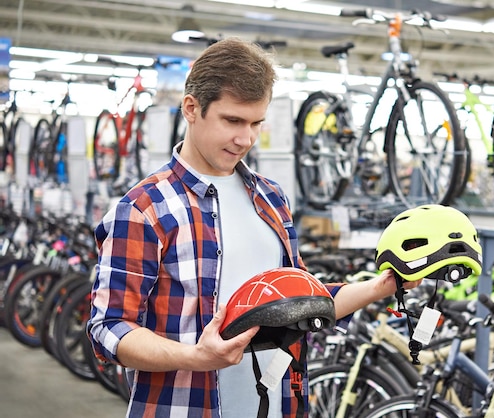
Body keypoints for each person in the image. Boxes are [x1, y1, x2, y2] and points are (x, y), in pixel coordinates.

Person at [87, 37, 420, 418]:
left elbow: (297, 301)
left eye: (256, 123)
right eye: (232, 121)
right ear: (192, 109)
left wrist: (385, 284)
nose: (245, 139)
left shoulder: (271, 198)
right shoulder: (144, 209)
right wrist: (195, 357)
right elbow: (109, 326)